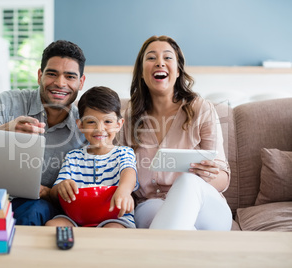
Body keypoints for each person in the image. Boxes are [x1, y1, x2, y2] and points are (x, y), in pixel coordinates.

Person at [119, 35, 232, 230]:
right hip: (152, 206)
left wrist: (205, 176)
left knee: (188, 182)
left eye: (168, 57)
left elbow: (223, 178)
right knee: (155, 211)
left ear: (178, 70)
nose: (160, 63)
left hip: (206, 207)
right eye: (151, 58)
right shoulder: (128, 119)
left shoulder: (201, 110)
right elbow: (118, 170)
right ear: (141, 72)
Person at [0, 40, 87, 225]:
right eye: (52, 74)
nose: (60, 83)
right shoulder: (8, 101)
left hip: (37, 205)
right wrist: (6, 130)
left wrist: (51, 193)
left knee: (34, 209)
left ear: (81, 82)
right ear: (40, 75)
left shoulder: (84, 126)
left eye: (70, 77)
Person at [45, 86, 138, 228]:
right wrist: (60, 188)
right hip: (76, 217)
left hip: (114, 217)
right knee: (53, 225)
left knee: (114, 231)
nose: (99, 129)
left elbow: (129, 172)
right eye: (90, 122)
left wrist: (124, 191)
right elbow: (55, 191)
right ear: (80, 125)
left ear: (119, 124)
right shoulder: (73, 157)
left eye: (107, 121)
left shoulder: (124, 153)